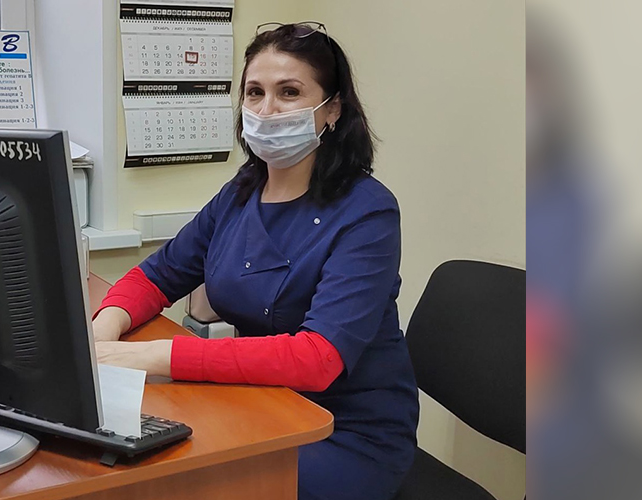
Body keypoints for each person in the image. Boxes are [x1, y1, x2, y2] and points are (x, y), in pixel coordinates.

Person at [94, 22, 418, 500]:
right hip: (258, 401)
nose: (266, 111)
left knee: (177, 487)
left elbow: (318, 358)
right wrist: (102, 332)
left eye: (289, 92)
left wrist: (148, 356)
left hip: (344, 431)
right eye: (254, 93)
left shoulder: (367, 211)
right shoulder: (241, 192)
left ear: (332, 109)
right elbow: (158, 274)